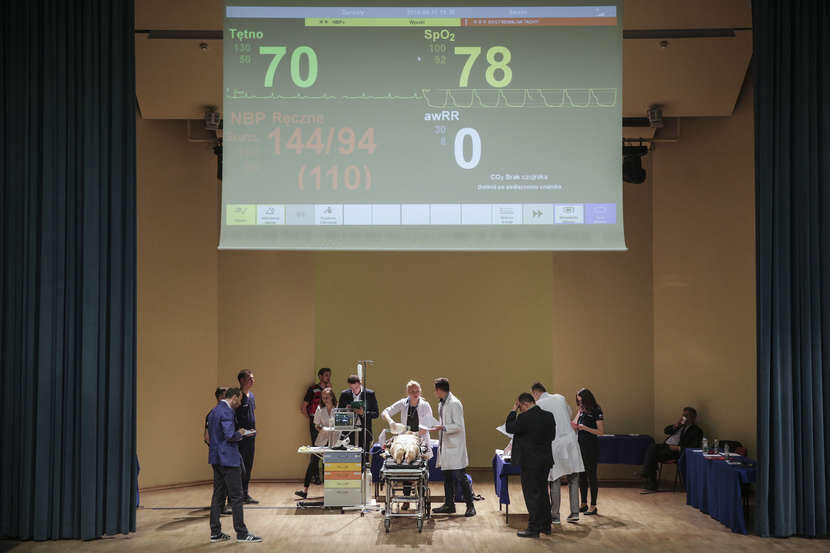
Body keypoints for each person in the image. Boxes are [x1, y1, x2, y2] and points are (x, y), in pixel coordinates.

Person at [207, 387, 262, 543]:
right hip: (228, 459)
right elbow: (230, 435)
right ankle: (242, 533)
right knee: (237, 496)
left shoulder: (214, 410)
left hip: (216, 459)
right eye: (240, 400)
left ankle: (215, 532)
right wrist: (242, 433)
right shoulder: (226, 412)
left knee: (218, 496)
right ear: (235, 397)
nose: (240, 404)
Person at [506, 393, 556, 538]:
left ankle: (533, 528)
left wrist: (513, 410)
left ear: (525, 404)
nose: (519, 409)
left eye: (520, 406)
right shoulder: (549, 416)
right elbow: (552, 436)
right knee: (543, 493)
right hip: (545, 461)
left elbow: (509, 427)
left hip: (529, 462)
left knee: (532, 496)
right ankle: (546, 526)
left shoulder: (524, 418)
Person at [533, 384, 584, 524]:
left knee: (554, 479)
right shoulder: (560, 397)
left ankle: (555, 515)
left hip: (555, 443)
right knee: (574, 478)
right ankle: (575, 513)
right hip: (571, 440)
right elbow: (569, 414)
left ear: (535, 394)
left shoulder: (539, 404)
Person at [381, 380, 434, 510]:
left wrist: (419, 432)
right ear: (407, 393)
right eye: (412, 391)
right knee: (406, 467)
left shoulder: (425, 405)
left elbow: (428, 425)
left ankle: (421, 499)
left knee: (420, 470)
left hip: (420, 439)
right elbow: (385, 412)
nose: (415, 393)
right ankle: (406, 499)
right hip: (406, 439)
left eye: (417, 391)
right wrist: (391, 421)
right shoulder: (403, 403)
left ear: (420, 391)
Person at [431, 378, 476, 517]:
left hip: (455, 446)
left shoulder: (455, 403)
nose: (435, 393)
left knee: (460, 477)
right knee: (447, 477)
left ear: (439, 390)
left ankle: (470, 506)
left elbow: (458, 425)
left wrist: (443, 427)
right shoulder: (442, 403)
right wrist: (440, 426)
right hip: (446, 444)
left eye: (435, 390)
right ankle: (449, 505)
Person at [639, 406, 703, 493]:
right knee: (651, 451)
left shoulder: (696, 431)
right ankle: (648, 479)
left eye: (687, 416)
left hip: (675, 452)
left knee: (652, 451)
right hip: (665, 447)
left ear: (693, 418)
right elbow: (666, 430)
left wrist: (677, 448)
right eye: (683, 415)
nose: (684, 418)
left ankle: (648, 479)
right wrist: (676, 425)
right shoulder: (679, 426)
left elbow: (694, 447)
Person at [295, 388, 340, 499]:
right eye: (323, 398)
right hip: (322, 439)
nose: (325, 399)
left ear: (332, 397)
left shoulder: (338, 408)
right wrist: (322, 429)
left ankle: (332, 492)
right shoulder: (320, 409)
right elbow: (316, 425)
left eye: (327, 397)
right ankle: (305, 491)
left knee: (331, 466)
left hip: (335, 439)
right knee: (313, 463)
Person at [571, 388, 603, 515]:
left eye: (581, 401)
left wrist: (585, 428)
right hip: (580, 447)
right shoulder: (581, 410)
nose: (580, 403)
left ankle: (593, 506)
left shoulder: (596, 410)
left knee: (592, 476)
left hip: (591, 448)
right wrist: (576, 418)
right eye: (578, 401)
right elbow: (574, 425)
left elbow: (600, 431)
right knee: (582, 477)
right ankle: (583, 504)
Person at [301, 367, 332, 485]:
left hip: (327, 424)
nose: (328, 377)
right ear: (320, 376)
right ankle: (316, 477)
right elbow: (304, 406)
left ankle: (326, 476)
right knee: (317, 449)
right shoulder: (313, 389)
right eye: (326, 375)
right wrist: (312, 419)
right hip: (316, 423)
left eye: (329, 375)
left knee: (328, 448)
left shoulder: (329, 390)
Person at [205, 387, 230, 515]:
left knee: (222, 481)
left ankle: (221, 506)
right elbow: (207, 437)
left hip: (221, 453)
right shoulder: (215, 413)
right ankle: (219, 508)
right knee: (221, 482)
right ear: (220, 397)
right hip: (221, 453)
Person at [337, 375, 379, 449]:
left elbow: (376, 414)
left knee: (364, 453)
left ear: (360, 384)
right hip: (349, 432)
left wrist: (363, 413)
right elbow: (339, 412)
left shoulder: (369, 394)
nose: (354, 391)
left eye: (356, 388)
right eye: (351, 388)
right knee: (350, 454)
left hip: (365, 431)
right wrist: (346, 410)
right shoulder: (345, 394)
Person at [236, 369, 258, 504]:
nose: (252, 381)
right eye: (250, 378)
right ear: (242, 380)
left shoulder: (252, 396)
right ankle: (236, 496)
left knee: (249, 466)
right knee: (240, 467)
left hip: (251, 437)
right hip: (241, 438)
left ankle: (245, 494)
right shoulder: (237, 396)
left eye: (253, 378)